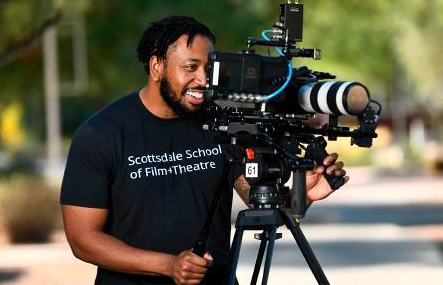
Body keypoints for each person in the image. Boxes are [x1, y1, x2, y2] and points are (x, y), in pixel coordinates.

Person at [60, 15, 348, 285]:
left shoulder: (225, 123)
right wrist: (169, 265)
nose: (203, 79)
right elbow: (82, 239)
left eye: (209, 68)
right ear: (156, 66)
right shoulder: (101, 133)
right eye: (190, 67)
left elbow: (256, 199)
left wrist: (302, 195)